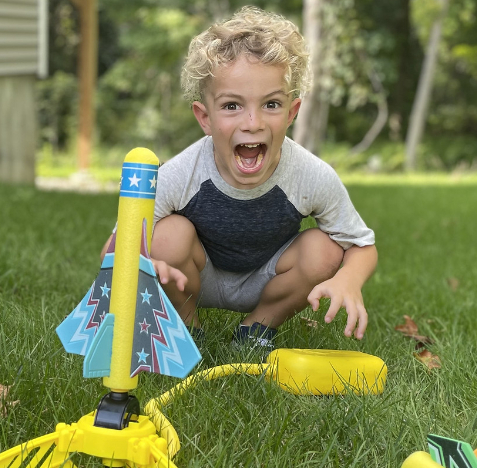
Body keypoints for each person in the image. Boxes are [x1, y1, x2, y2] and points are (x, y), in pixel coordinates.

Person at [149, 6, 376, 350]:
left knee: (326, 250)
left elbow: (361, 245)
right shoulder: (182, 172)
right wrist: (145, 265)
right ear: (204, 117)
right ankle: (185, 330)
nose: (252, 122)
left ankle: (256, 329)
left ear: (291, 113)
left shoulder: (310, 174)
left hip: (268, 277)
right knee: (164, 237)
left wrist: (348, 279)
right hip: (196, 275)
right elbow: (121, 243)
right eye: (231, 106)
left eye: (271, 104)